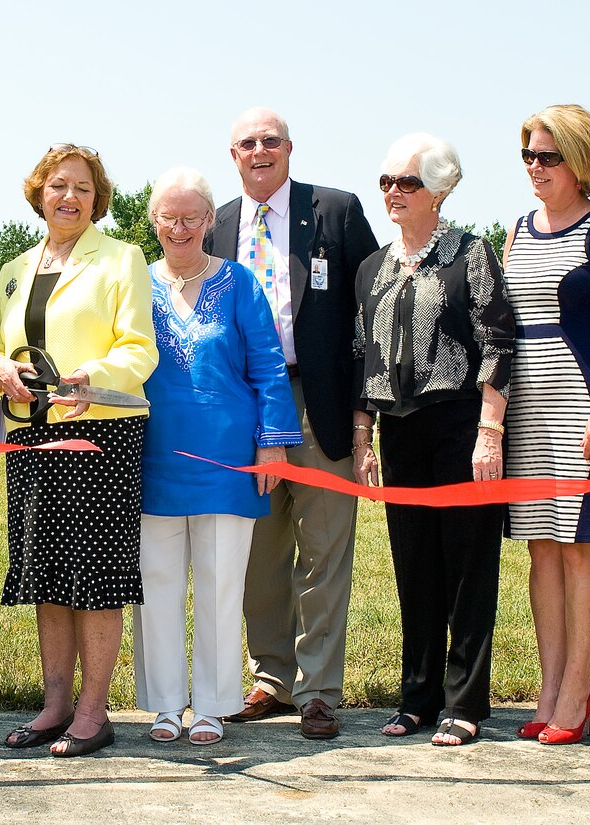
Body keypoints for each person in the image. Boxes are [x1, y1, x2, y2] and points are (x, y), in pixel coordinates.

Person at [204, 107, 378, 740]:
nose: (259, 151)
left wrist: (363, 418)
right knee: (256, 551)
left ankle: (319, 690)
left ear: (290, 148)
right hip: (240, 410)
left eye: (270, 140)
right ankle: (271, 677)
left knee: (325, 549)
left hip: (319, 405)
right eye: (246, 142)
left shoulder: (335, 210)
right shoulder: (215, 223)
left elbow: (370, 313)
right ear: (233, 154)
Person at [0, 144, 156, 758]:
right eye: (59, 185)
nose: (70, 197)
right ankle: (54, 704)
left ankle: (93, 710)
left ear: (97, 199)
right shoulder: (12, 268)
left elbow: (141, 348)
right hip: (33, 436)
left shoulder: (122, 258)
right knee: (48, 574)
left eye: (82, 188)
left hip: (102, 433)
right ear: (39, 192)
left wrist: (92, 374)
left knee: (99, 579)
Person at [350, 134, 516, 747]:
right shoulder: (372, 266)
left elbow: (500, 341)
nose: (394, 192)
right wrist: (364, 438)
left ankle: (465, 700)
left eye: (408, 183)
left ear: (440, 192)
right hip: (399, 430)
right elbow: (360, 354)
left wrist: (489, 431)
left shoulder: (470, 254)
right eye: (387, 182)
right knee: (413, 565)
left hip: (461, 425)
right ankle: (416, 695)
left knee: (469, 566)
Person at [135, 167, 298, 747]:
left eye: (191, 217)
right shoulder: (135, 282)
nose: (179, 228)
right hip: (150, 458)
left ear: (210, 221)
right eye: (168, 217)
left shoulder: (240, 283)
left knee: (222, 583)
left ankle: (212, 704)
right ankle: (163, 704)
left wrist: (273, 442)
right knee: (156, 584)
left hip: (228, 461)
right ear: (154, 221)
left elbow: (269, 367)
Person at [499, 105, 590, 746]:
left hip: (584, 399)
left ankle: (578, 687)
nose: (536, 167)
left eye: (548, 156)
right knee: (539, 545)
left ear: (580, 160)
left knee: (580, 543)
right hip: (526, 403)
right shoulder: (517, 228)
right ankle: (552, 683)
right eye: (529, 155)